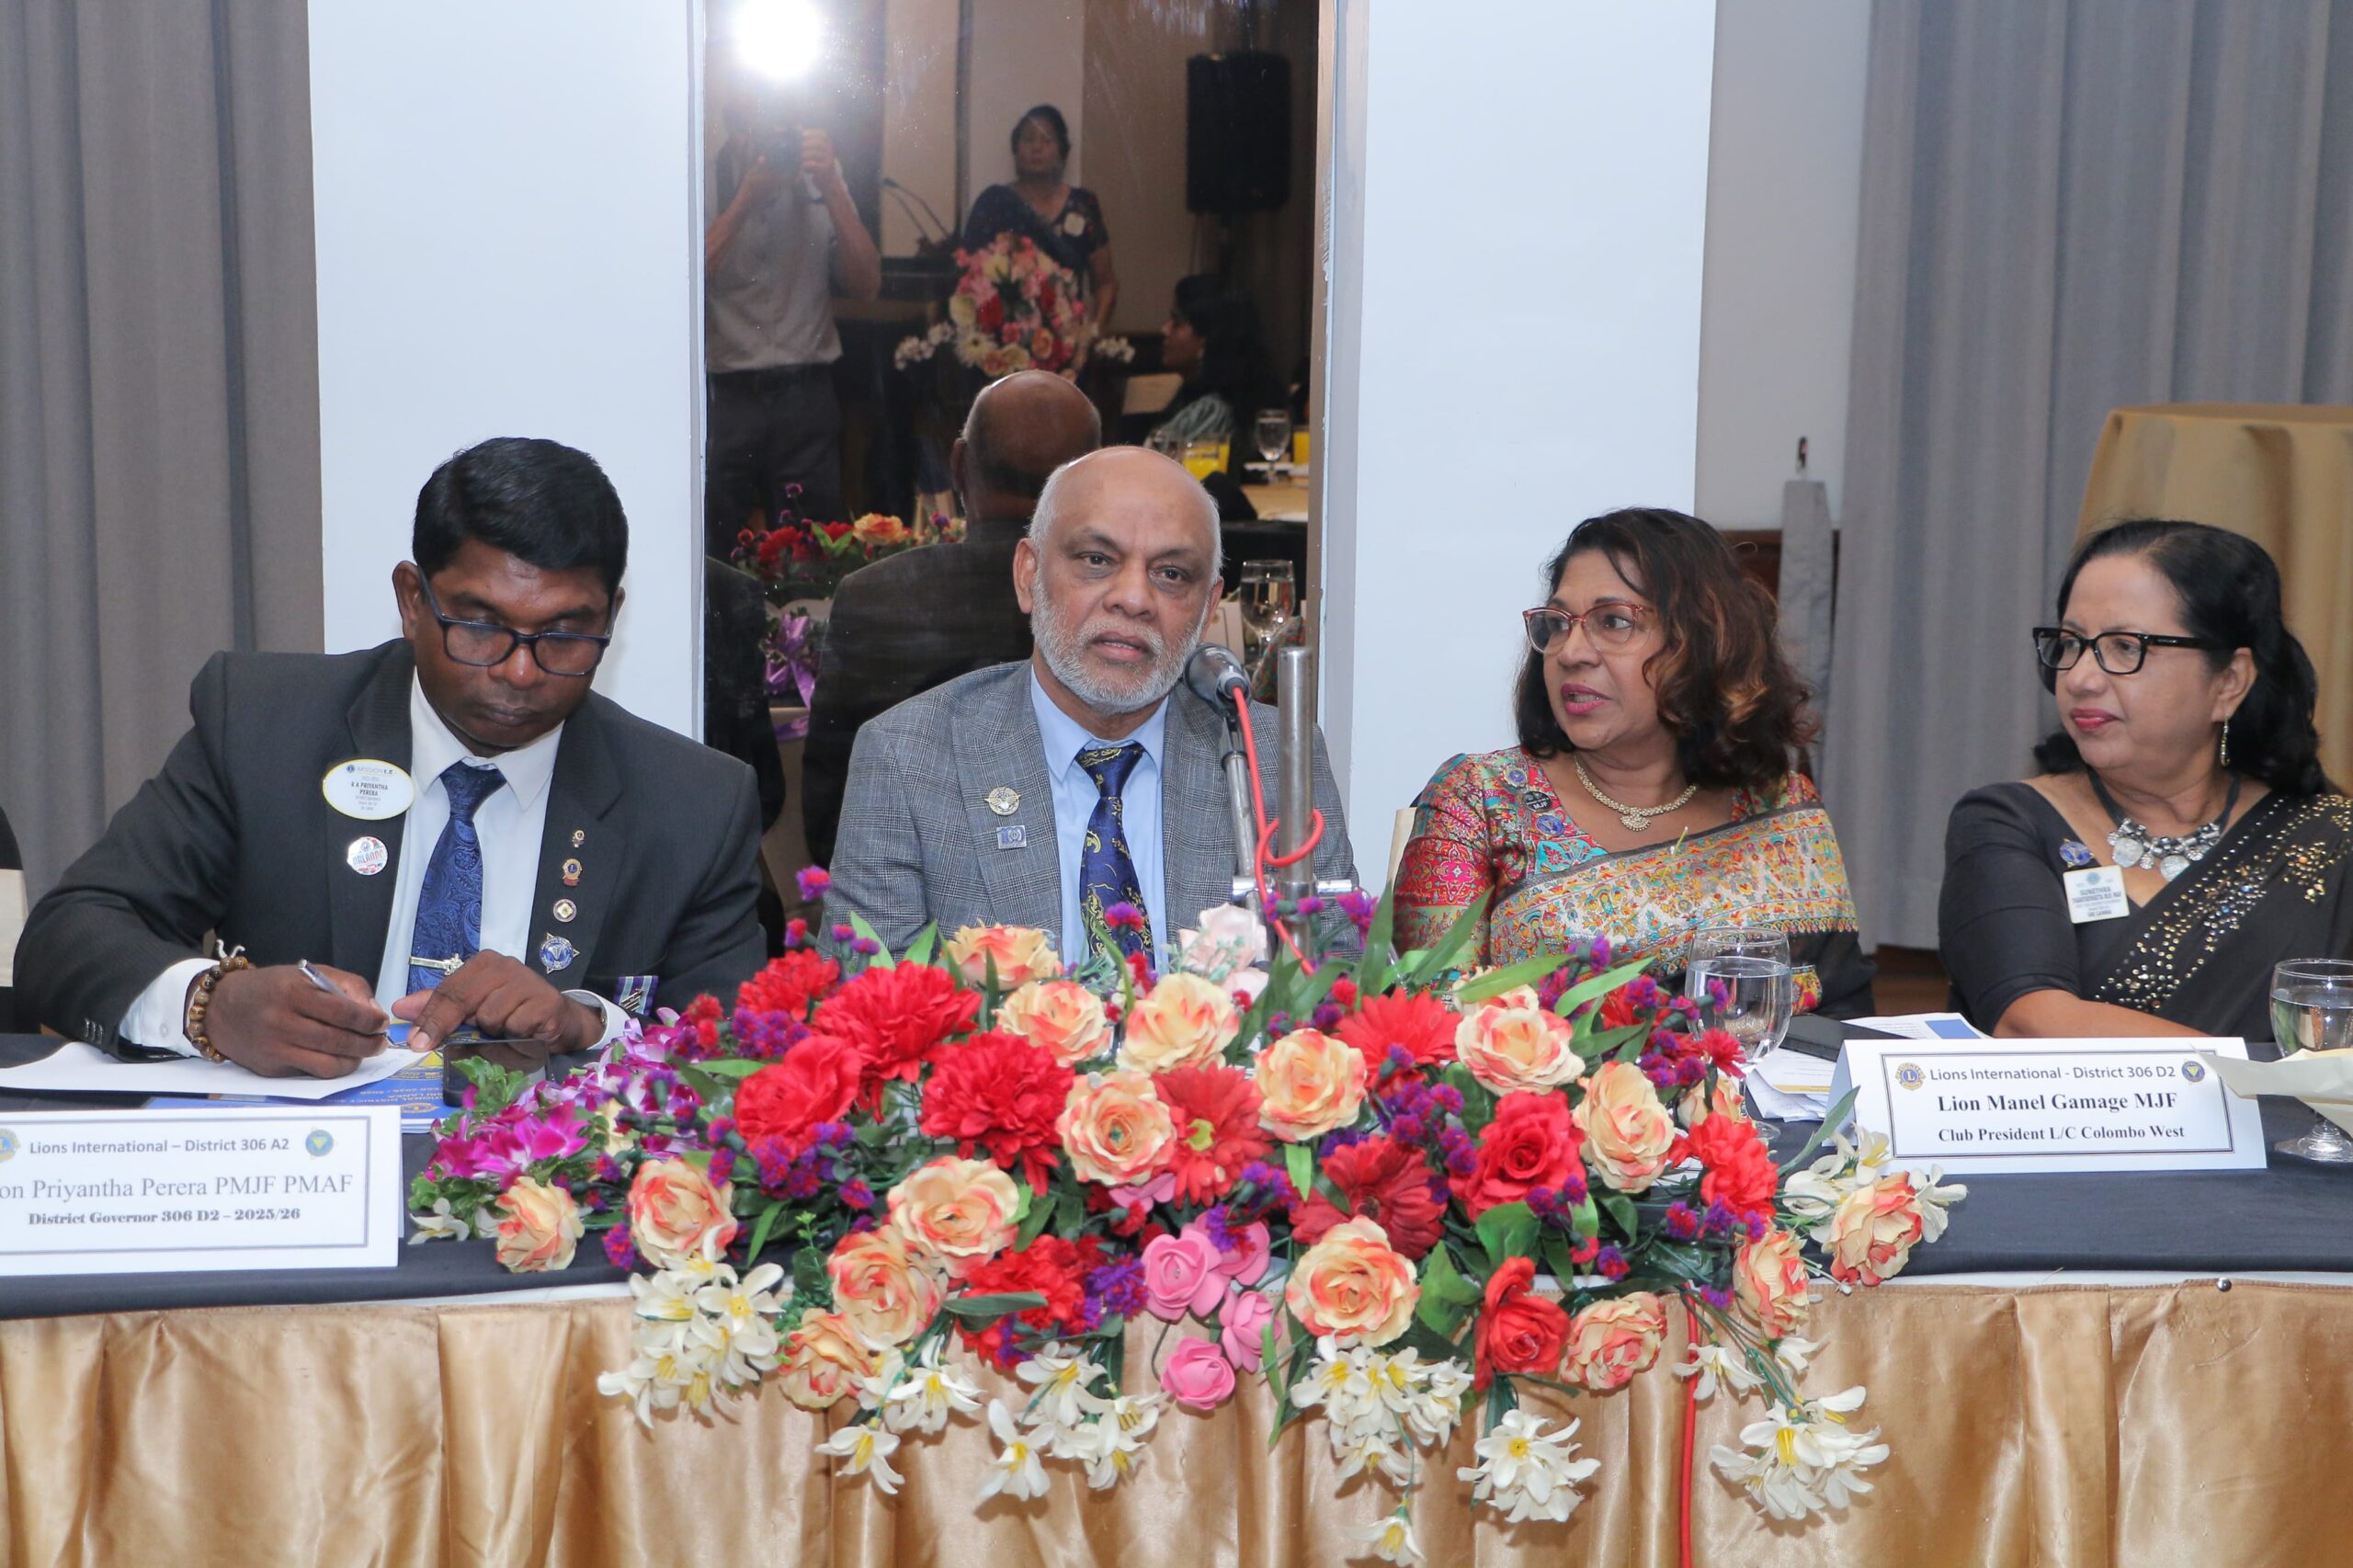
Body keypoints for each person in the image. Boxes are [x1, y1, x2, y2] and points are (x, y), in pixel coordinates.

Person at [17, 437, 767, 1076]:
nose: (520, 672)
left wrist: (590, 1026)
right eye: (481, 627)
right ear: (413, 600)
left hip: (546, 1190)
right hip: (299, 1174)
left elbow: (741, 1055)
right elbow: (69, 935)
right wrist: (213, 1005)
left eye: (564, 635)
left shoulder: (694, 805)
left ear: (611, 617)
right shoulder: (262, 729)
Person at [825, 447, 1359, 963]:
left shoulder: (1269, 755)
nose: (1134, 598)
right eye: (1097, 560)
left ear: (1208, 607)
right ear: (1028, 575)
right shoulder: (909, 758)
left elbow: (1337, 983)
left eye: (1171, 574)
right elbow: (870, 1004)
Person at [1393, 508, 1872, 1016]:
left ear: (1703, 642)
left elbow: (1846, 1024)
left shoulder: (1781, 804)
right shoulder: (1481, 800)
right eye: (1559, 624)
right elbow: (1435, 1027)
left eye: (1614, 622)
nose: (1571, 652)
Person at [1939, 519, 2351, 1040]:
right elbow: (2031, 1023)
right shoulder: (2009, 823)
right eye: (2071, 643)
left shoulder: (2327, 839)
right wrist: (2262, 1077)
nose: (2080, 678)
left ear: (2229, 681)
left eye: (2125, 647)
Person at [801, 369, 1101, 869]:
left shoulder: (877, 597)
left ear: (959, 465)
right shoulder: (1118, 602)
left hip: (906, 893)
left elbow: (832, 819)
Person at [704, 72, 882, 553]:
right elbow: (683, 284)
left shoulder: (821, 174)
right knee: (717, 550)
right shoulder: (705, 173)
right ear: (732, 124)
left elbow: (867, 285)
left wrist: (832, 187)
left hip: (805, 396)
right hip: (728, 396)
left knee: (813, 554)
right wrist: (746, 198)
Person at [961, 105, 1119, 331]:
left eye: (1047, 139)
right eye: (1028, 139)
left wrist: (1092, 335)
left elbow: (1106, 283)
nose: (1037, 147)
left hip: (1067, 336)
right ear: (1016, 151)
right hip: (1006, 338)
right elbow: (968, 276)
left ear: (1063, 150)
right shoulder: (994, 202)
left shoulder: (1083, 205)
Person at [1149, 275, 1267, 454]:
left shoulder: (1214, 411)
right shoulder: (1194, 398)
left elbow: (1158, 464)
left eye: (1177, 322)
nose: (1165, 329)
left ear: (1207, 338)